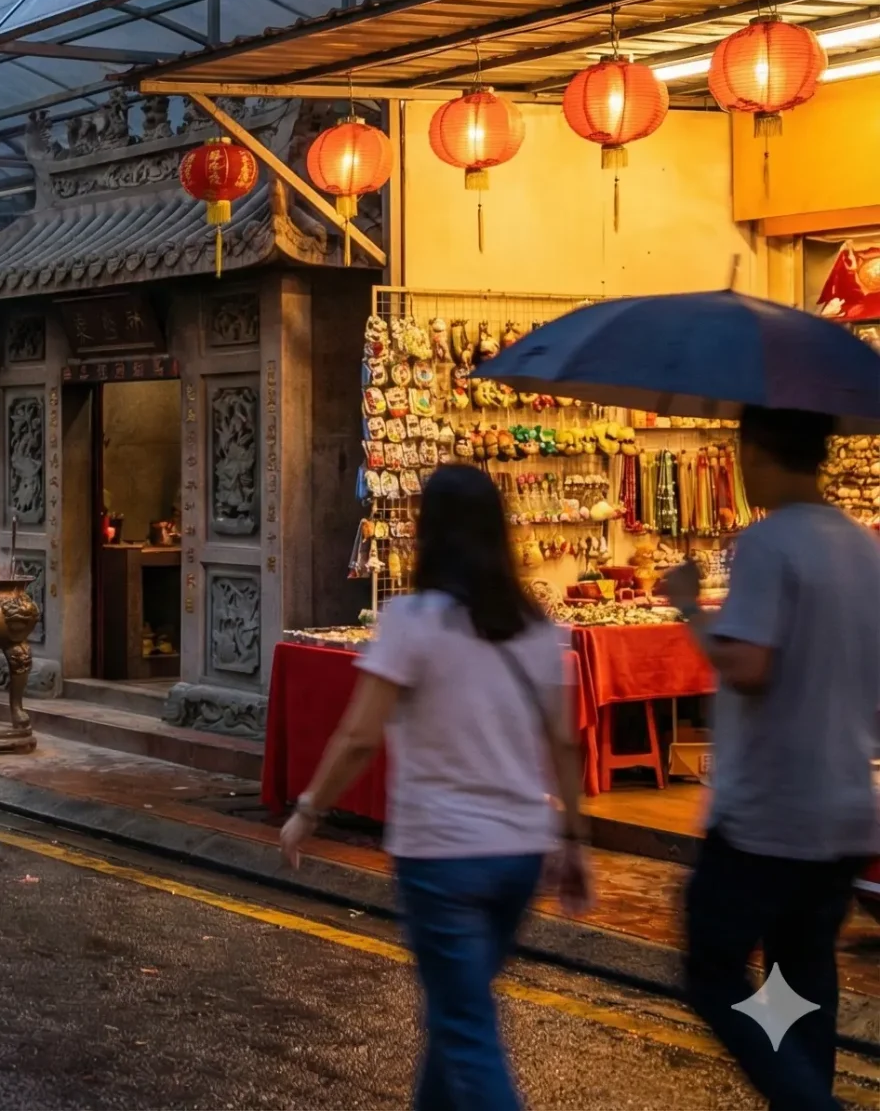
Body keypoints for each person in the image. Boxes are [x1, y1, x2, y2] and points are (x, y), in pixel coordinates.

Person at [280, 463, 590, 1111]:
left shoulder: (412, 619)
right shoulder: (537, 627)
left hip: (442, 854)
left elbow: (360, 734)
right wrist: (573, 839)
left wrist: (308, 809)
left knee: (464, 1028)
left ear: (430, 534)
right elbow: (565, 741)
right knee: (456, 1014)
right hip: (518, 853)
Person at [662, 405, 880, 1109]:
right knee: (801, 976)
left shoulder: (768, 544)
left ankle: (813, 1105)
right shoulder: (862, 545)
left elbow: (750, 664)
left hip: (768, 810)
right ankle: (808, 1089)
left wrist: (692, 608)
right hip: (844, 805)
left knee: (712, 965)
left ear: (755, 449)